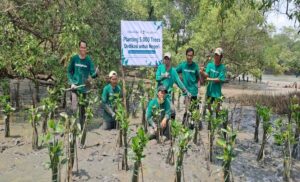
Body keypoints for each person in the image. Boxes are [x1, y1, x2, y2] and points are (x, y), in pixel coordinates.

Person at [67, 40, 98, 130]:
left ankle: (82, 129)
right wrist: (72, 83)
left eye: (84, 47)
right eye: (81, 47)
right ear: (79, 48)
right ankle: (74, 128)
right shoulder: (74, 59)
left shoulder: (88, 60)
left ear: (86, 48)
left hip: (84, 88)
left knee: (83, 109)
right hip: (74, 88)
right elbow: (69, 72)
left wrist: (96, 73)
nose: (83, 49)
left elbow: (92, 74)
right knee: (74, 107)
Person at [156, 52, 191, 119]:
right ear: (163, 59)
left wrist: (186, 91)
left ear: (170, 60)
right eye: (165, 58)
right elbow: (157, 78)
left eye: (168, 59)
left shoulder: (173, 71)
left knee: (172, 112)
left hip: (167, 96)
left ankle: (170, 127)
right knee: (159, 114)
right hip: (159, 95)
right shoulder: (160, 67)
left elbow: (179, 82)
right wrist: (163, 76)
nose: (166, 60)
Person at [176, 48, 200, 127]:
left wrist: (198, 86)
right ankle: (184, 125)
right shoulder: (183, 65)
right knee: (186, 108)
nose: (189, 57)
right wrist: (179, 81)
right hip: (186, 91)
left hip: (194, 91)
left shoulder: (195, 66)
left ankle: (192, 125)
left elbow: (198, 78)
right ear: (186, 55)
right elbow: (175, 72)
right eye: (188, 55)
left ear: (193, 56)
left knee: (193, 110)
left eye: (191, 55)